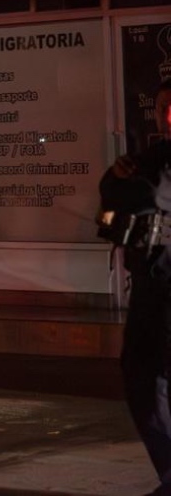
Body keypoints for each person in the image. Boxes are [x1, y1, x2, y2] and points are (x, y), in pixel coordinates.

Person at [100, 78, 171, 496]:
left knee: (151, 376)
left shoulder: (152, 163)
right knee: (144, 375)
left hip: (164, 287)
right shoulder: (151, 157)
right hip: (150, 284)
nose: (166, 116)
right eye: (162, 106)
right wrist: (118, 175)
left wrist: (125, 176)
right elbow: (112, 202)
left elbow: (150, 194)